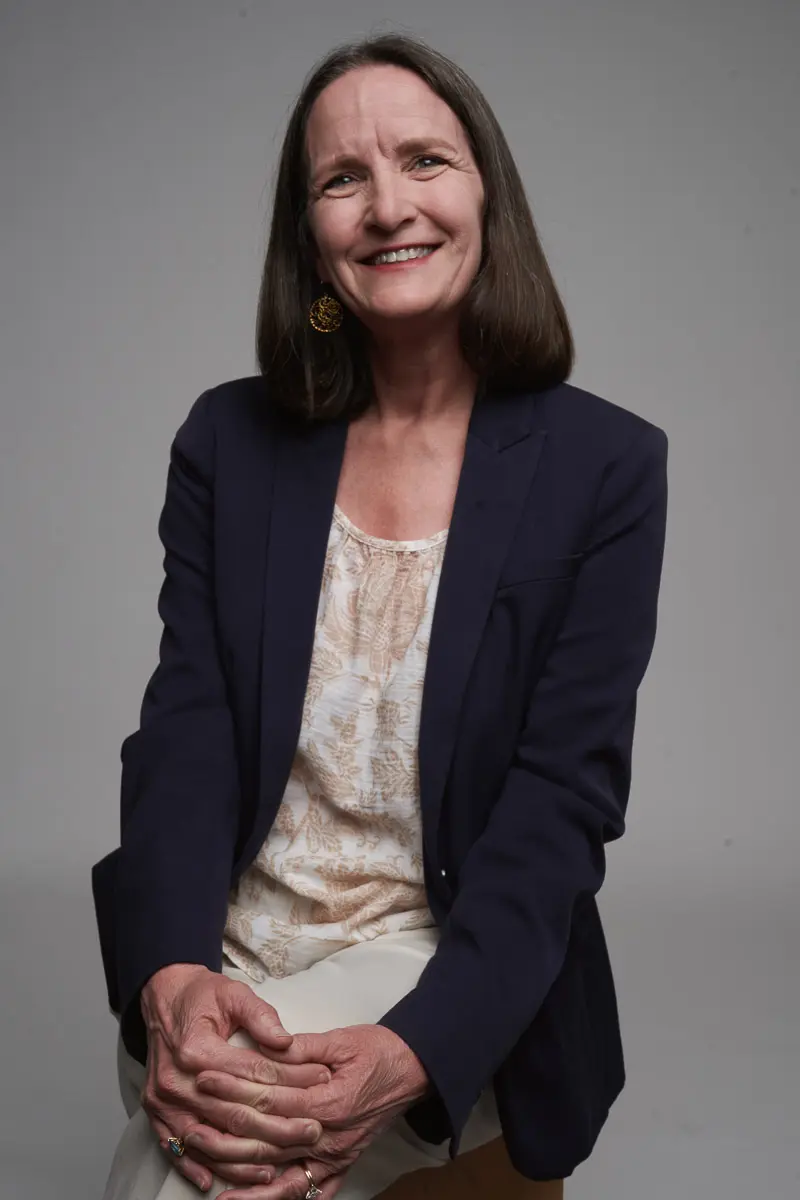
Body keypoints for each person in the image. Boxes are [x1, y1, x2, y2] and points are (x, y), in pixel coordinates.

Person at [92, 31, 668, 1200]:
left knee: (181, 1178)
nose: (386, 206)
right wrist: (165, 974)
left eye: (423, 160)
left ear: (483, 193)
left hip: (435, 958)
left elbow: (559, 805)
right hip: (228, 946)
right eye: (341, 178)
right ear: (307, 235)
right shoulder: (226, 442)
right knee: (190, 1151)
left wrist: (412, 1049)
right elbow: (187, 730)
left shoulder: (603, 465)